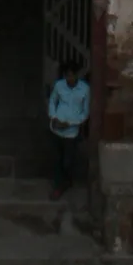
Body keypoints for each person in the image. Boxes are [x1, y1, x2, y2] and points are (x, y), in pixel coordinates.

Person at [47, 54, 91, 210]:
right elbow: (52, 101)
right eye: (67, 75)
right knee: (57, 159)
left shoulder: (85, 90)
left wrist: (70, 123)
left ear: (77, 75)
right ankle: (59, 187)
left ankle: (67, 180)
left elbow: (85, 113)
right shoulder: (59, 86)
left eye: (72, 75)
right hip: (56, 128)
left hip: (72, 131)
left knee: (68, 161)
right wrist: (53, 118)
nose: (69, 78)